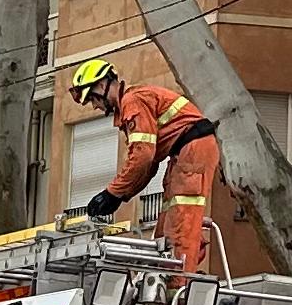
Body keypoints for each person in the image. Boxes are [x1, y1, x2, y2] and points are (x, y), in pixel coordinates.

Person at [70, 55, 223, 273]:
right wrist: (120, 195)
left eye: (92, 98)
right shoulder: (133, 104)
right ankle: (168, 277)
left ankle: (179, 284)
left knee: (181, 222)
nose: (95, 106)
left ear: (102, 85)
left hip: (192, 151)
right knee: (167, 227)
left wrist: (112, 193)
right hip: (185, 152)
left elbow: (142, 156)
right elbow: (147, 165)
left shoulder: (132, 102)